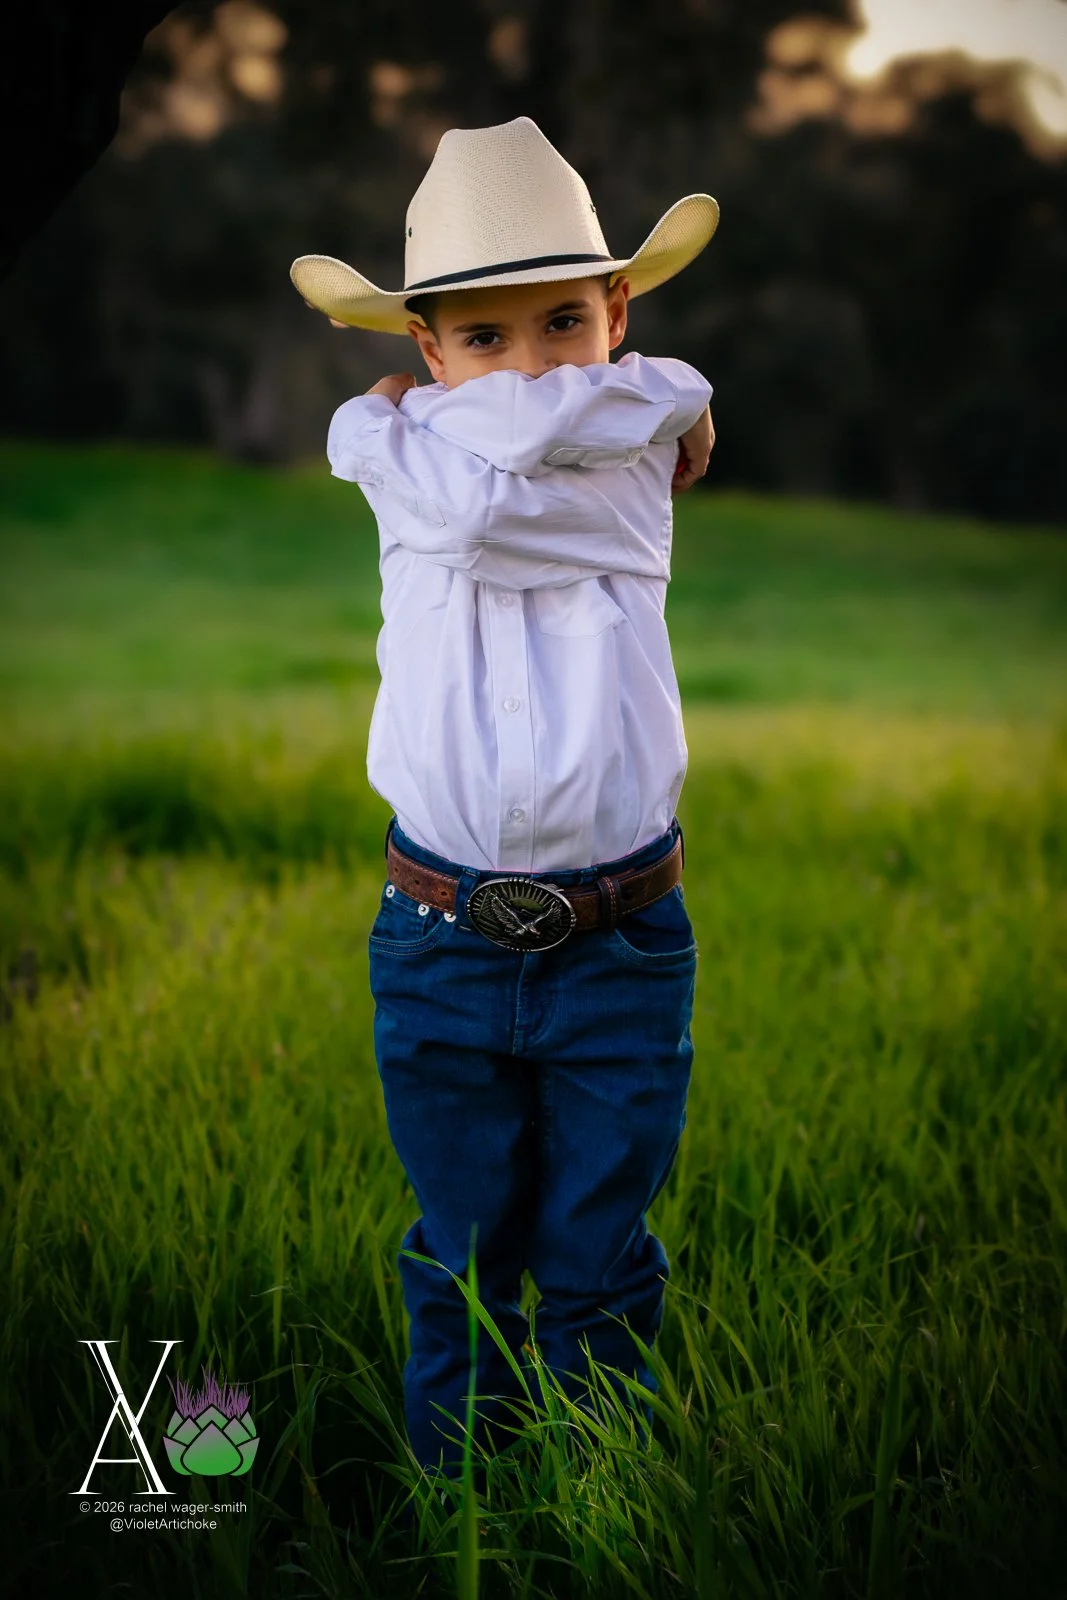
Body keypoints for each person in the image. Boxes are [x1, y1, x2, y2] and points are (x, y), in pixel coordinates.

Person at [291, 115, 718, 1487]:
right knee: (457, 1256)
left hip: (619, 943)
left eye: (561, 323)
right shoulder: (618, 436)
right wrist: (663, 399)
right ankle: (456, 1521)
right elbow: (485, 511)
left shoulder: (603, 451)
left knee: (598, 1262)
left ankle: (600, 1516)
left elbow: (472, 503)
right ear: (423, 349)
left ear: (618, 311)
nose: (529, 369)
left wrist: (665, 396)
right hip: (439, 942)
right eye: (481, 340)